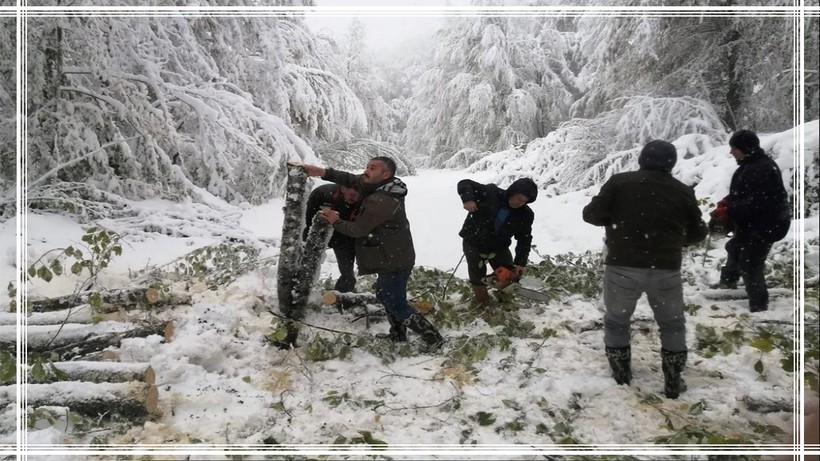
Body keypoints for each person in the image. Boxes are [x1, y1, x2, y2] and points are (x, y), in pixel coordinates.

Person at [582, 140, 708, 399]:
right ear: (671, 163)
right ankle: (672, 379)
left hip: (622, 265)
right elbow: (697, 233)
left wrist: (618, 220)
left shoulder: (619, 182)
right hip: (666, 267)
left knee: (617, 321)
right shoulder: (682, 191)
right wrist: (672, 236)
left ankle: (621, 374)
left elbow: (591, 215)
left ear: (642, 159)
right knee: (672, 324)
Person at [300, 157, 444, 348]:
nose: (366, 171)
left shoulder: (382, 200)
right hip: (389, 255)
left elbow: (357, 229)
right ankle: (398, 335)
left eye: (372, 168)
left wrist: (335, 220)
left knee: (395, 302)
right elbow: (352, 179)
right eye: (367, 166)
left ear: (386, 174)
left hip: (396, 259)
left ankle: (434, 339)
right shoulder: (380, 186)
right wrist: (322, 172)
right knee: (385, 295)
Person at [710, 129, 791, 313]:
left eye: (734, 148)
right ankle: (727, 285)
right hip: (756, 224)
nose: (731, 152)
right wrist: (726, 202)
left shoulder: (760, 169)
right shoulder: (750, 166)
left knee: (750, 263)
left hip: (766, 226)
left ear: (744, 148)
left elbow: (757, 203)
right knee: (734, 247)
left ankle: (759, 307)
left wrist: (730, 211)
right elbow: (742, 194)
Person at [456, 177, 538, 306]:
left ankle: (504, 300)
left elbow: (524, 238)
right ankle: (483, 302)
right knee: (477, 275)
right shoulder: (491, 193)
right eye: (518, 198)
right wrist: (468, 199)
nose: (519, 203)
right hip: (474, 241)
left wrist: (521, 262)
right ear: (513, 191)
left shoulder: (525, 214)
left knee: (509, 273)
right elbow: (464, 183)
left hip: (499, 246)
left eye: (523, 201)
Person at [303, 183, 360, 293]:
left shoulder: (361, 200)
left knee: (347, 271)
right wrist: (306, 240)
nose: (353, 198)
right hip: (317, 230)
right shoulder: (322, 194)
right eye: (351, 195)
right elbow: (308, 220)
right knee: (307, 264)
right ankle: (302, 290)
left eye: (356, 196)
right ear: (343, 188)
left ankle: (343, 294)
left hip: (343, 234)